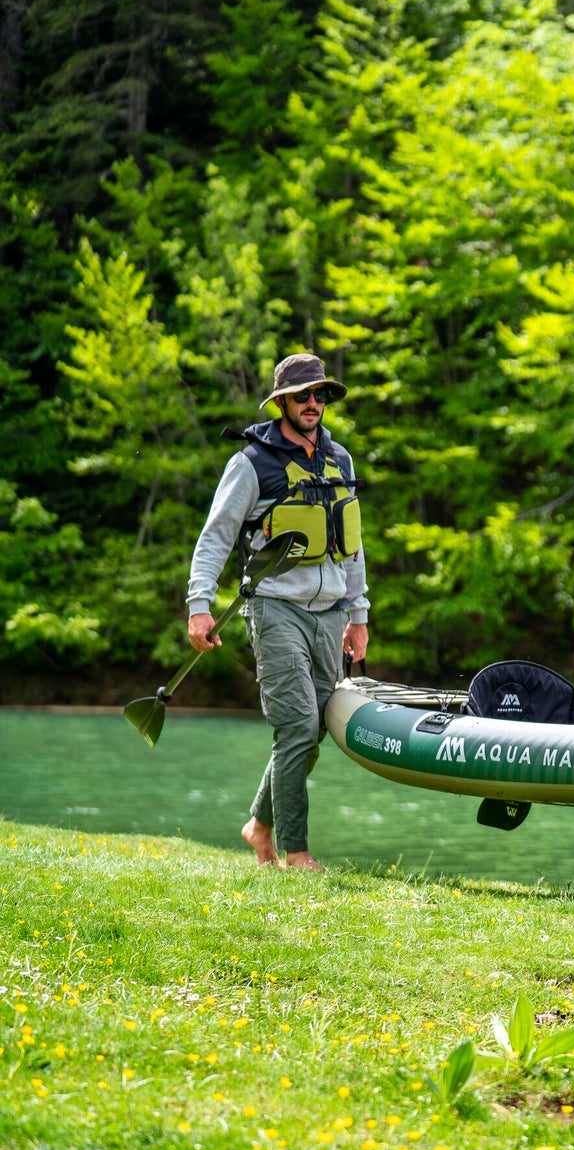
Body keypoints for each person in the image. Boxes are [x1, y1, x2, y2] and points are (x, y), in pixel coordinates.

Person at [185, 353, 369, 872]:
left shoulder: (341, 460)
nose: (314, 404)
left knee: (311, 732)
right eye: (303, 395)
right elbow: (216, 536)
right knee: (296, 726)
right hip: (274, 609)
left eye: (321, 395)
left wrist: (359, 615)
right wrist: (200, 606)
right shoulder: (250, 462)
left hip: (332, 612)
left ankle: (258, 826)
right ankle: (296, 852)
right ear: (281, 402)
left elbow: (352, 544)